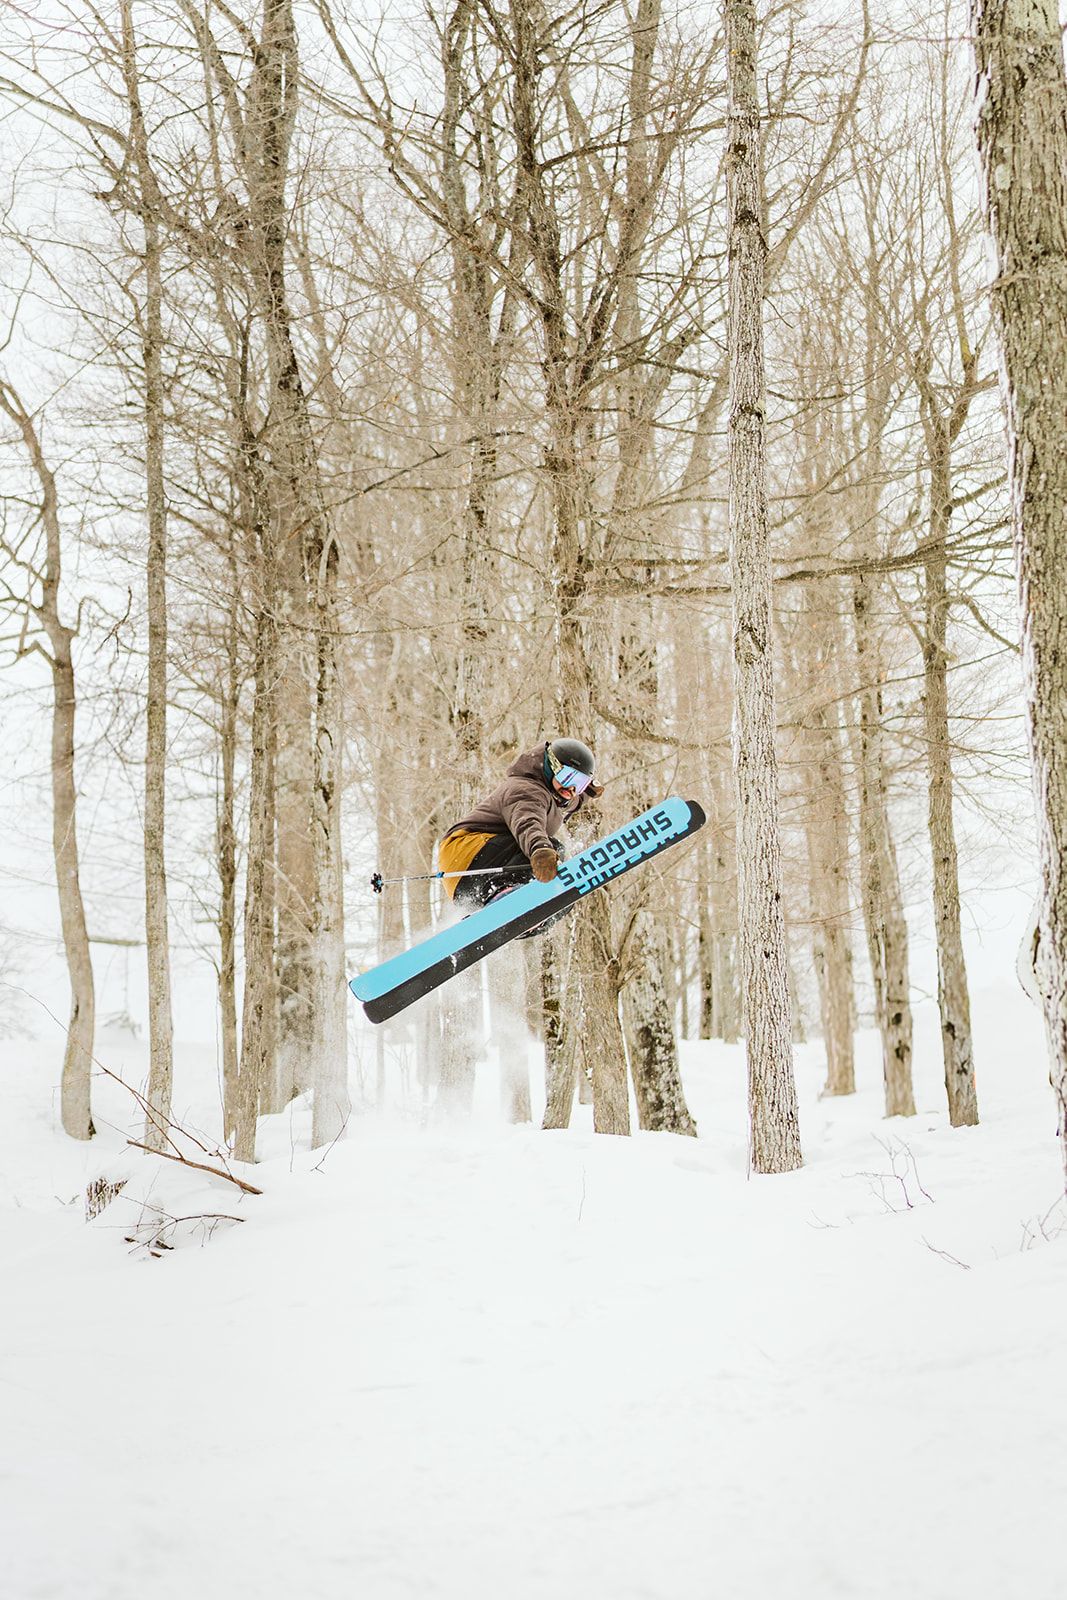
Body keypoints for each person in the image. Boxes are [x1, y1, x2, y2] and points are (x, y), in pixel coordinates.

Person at [438, 738, 602, 911]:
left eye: (580, 784)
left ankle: (532, 918)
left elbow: (571, 799)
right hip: (465, 854)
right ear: (551, 767)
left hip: (467, 884)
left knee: (562, 895)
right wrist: (539, 849)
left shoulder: (557, 792)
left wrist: (587, 793)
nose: (572, 790)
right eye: (568, 777)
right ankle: (504, 894)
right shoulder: (526, 790)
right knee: (552, 850)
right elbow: (527, 823)